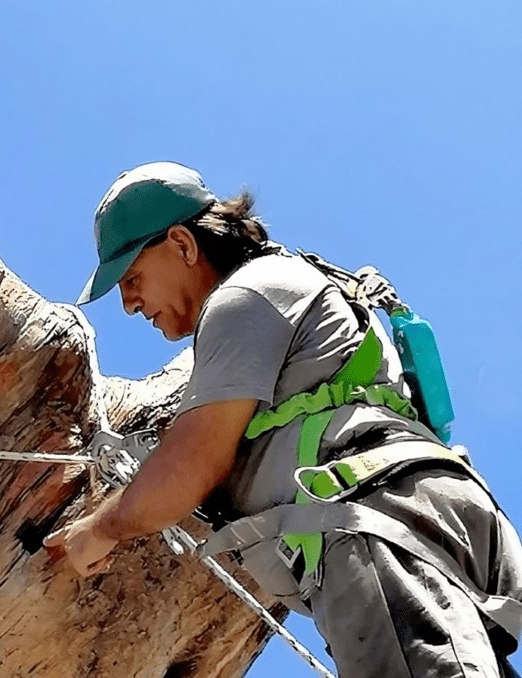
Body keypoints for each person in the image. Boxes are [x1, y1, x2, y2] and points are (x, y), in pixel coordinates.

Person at [44, 161, 522, 677]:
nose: (130, 304)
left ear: (182, 245)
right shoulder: (297, 280)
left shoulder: (243, 297)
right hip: (436, 515)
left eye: (132, 277)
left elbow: (193, 464)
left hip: (374, 527)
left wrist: (101, 527)